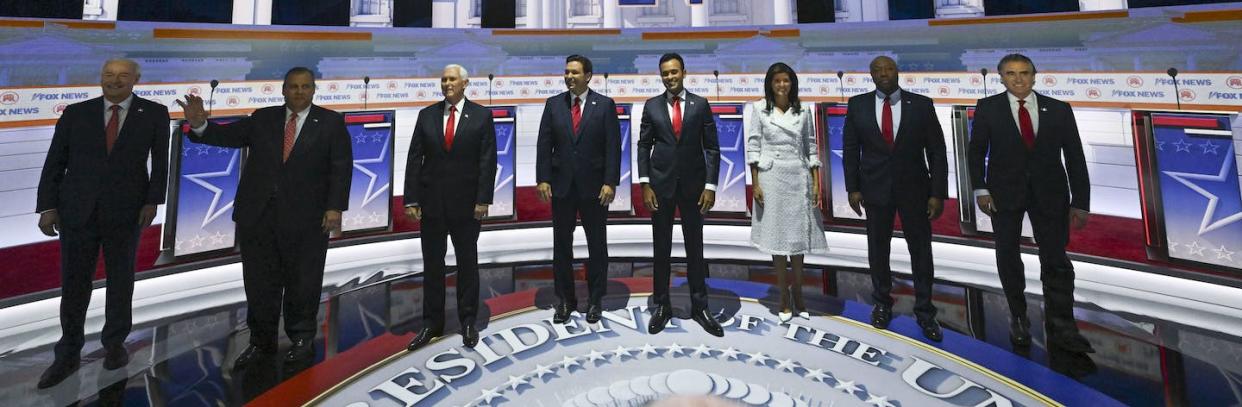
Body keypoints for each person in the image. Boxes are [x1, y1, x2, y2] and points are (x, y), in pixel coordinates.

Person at [177, 67, 353, 367]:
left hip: (307, 219)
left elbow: (341, 166)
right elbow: (226, 136)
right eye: (293, 87)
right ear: (283, 90)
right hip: (258, 217)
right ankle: (261, 342)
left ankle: (301, 339)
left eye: (305, 87)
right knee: (259, 284)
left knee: (303, 282)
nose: (299, 92)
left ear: (313, 90)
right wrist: (200, 125)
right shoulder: (263, 117)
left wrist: (335, 207)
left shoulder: (331, 122)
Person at [35, 58, 170, 388]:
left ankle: (115, 345)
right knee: (74, 284)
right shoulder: (76, 114)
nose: (115, 80)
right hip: (76, 211)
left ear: (136, 79)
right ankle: (68, 353)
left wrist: (153, 201)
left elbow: (161, 162)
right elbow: (55, 161)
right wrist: (48, 207)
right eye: (109, 75)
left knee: (121, 281)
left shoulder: (154, 113)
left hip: (127, 212)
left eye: (123, 75)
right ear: (100, 78)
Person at [968, 53, 1093, 353]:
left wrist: (1081, 201)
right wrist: (980, 190)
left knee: (1055, 259)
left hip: (1050, 195)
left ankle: (1062, 324)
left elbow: (1075, 156)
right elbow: (975, 153)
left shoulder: (1059, 109)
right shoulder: (988, 108)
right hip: (1003, 194)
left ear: (1035, 76)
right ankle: (1019, 316)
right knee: (1008, 255)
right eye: (1011, 74)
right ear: (1001, 78)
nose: (1019, 79)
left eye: (1024, 73)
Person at [842, 56, 949, 342]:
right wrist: (852, 188)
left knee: (921, 253)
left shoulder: (922, 105)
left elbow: (937, 152)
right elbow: (851, 151)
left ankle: (925, 312)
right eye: (878, 70)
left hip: (915, 190)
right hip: (875, 189)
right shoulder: (857, 105)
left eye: (888, 68)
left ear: (897, 72)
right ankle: (881, 303)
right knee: (878, 250)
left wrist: (938, 193)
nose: (884, 74)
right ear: (871, 75)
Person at [405, 64, 497, 351]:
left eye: (452, 79)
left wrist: (483, 199)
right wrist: (411, 199)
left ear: (465, 83)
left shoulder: (482, 116)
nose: (447, 83)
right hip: (432, 205)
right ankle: (432, 322)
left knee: (467, 263)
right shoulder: (426, 115)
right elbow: (414, 159)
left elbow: (487, 161)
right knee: (433, 264)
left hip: (467, 206)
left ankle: (468, 319)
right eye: (443, 79)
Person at [638, 53, 724, 337]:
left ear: (684, 73)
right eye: (665, 73)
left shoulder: (700, 105)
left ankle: (700, 307)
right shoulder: (651, 106)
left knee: (695, 249)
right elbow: (643, 146)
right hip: (660, 188)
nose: (670, 77)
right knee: (660, 249)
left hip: (694, 189)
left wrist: (710, 186)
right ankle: (662, 306)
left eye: (674, 72)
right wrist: (645, 184)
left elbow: (711, 148)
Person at [536, 55, 621, 325]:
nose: (569, 77)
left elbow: (612, 148)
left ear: (588, 76)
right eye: (566, 72)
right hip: (561, 189)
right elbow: (544, 145)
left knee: (597, 246)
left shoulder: (605, 106)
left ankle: (595, 300)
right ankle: (565, 300)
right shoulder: (553, 105)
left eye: (575, 72)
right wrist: (543, 178)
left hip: (595, 189)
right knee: (562, 247)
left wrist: (610, 182)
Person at [746, 62, 827, 324]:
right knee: (778, 241)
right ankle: (783, 295)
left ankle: (799, 293)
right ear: (770, 84)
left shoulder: (803, 110)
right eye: (777, 81)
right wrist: (755, 182)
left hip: (798, 176)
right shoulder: (759, 109)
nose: (782, 85)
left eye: (786, 80)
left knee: (797, 241)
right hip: (772, 178)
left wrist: (816, 182)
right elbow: (754, 147)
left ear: (792, 83)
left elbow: (811, 147)